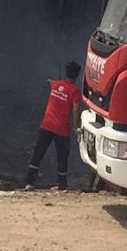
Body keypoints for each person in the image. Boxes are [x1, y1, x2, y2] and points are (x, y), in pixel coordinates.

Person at [24, 62, 81, 190]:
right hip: (62, 130)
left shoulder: (55, 85)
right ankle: (62, 186)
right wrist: (76, 127)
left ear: (66, 72)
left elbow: (49, 82)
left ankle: (29, 183)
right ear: (77, 75)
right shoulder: (75, 91)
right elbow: (76, 110)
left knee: (38, 153)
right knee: (62, 158)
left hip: (47, 126)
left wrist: (49, 82)